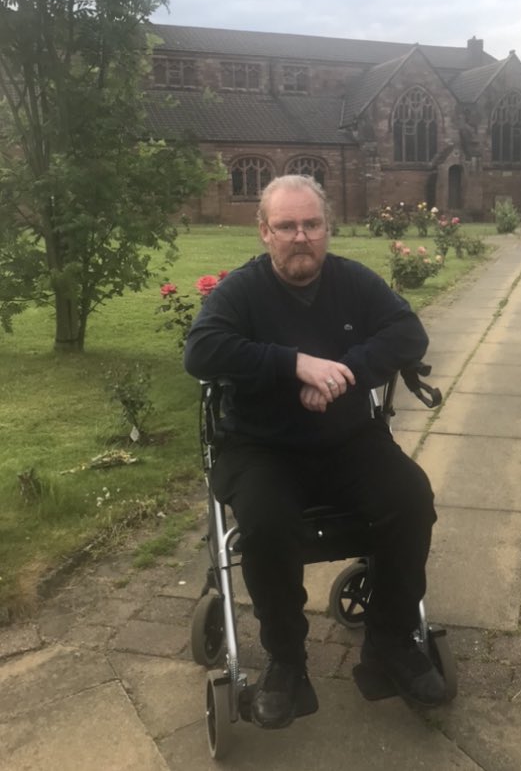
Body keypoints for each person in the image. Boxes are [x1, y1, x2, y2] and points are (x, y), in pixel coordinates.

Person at [184, 175, 446, 730]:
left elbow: (408, 333)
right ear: (264, 232)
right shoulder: (242, 291)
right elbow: (201, 351)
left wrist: (344, 373)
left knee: (410, 498)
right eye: (286, 226)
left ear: (328, 228)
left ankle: (391, 643)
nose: (300, 237)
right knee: (267, 523)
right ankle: (286, 661)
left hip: (347, 440)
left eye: (312, 224)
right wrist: (295, 364)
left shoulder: (353, 281)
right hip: (262, 446)